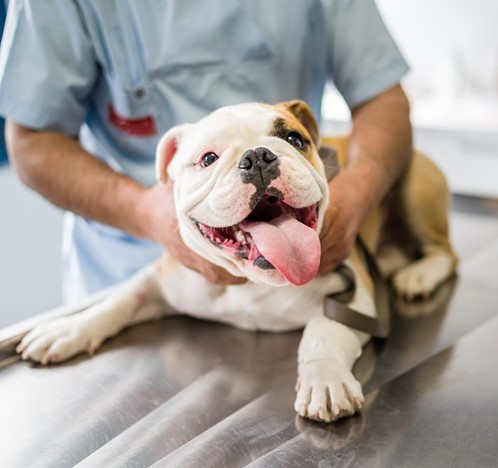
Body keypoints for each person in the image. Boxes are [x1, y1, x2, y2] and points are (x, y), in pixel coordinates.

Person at [0, 0, 412, 303]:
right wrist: (147, 213)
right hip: (130, 277)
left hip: (301, 271)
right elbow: (32, 140)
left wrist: (355, 194)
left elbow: (381, 97)